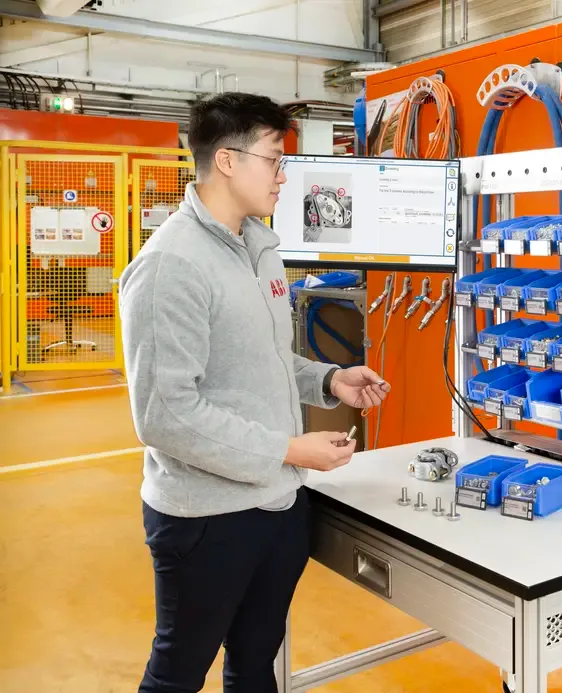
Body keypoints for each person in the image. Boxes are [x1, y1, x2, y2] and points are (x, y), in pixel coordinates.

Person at [119, 92, 389, 693]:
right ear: (227, 162)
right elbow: (166, 416)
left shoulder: (260, 248)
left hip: (276, 503)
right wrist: (290, 450)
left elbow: (261, 358)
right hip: (207, 519)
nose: (284, 175)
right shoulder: (171, 265)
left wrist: (328, 378)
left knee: (254, 666)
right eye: (274, 159)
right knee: (178, 673)